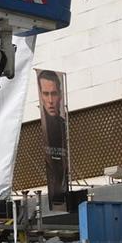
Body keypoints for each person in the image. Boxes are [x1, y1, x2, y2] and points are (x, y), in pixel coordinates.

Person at [37, 69, 69, 209]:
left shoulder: (63, 125)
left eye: (54, 94)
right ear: (40, 95)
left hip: (63, 192)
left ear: (60, 95)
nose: (50, 101)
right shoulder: (42, 127)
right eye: (46, 94)